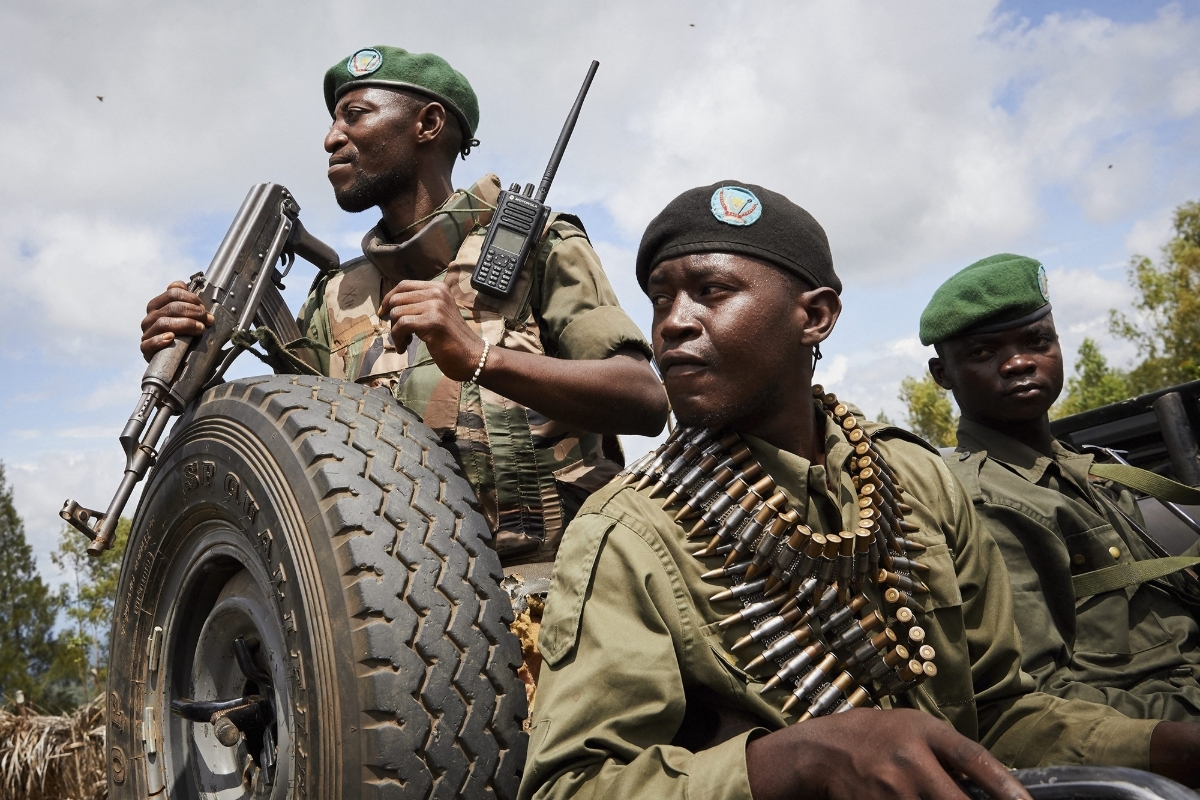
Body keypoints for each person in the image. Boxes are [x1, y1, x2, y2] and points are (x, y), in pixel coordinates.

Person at [520, 182, 1200, 800]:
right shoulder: (629, 533)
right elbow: (572, 787)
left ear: (814, 316)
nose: (671, 322)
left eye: (711, 291)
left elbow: (996, 711)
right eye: (661, 299)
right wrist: (788, 763)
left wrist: (1158, 747)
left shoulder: (916, 477)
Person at [138, 46, 669, 575]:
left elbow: (642, 400)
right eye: (331, 121)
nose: (331, 138)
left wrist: (480, 356)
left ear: (428, 124)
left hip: (549, 588)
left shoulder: (537, 245)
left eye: (356, 114)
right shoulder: (336, 294)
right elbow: (294, 455)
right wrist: (190, 356)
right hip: (397, 612)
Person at [922, 253, 1200, 723]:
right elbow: (1043, 696)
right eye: (983, 353)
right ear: (942, 375)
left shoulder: (1089, 469)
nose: (1018, 363)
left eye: (1037, 340)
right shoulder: (983, 502)